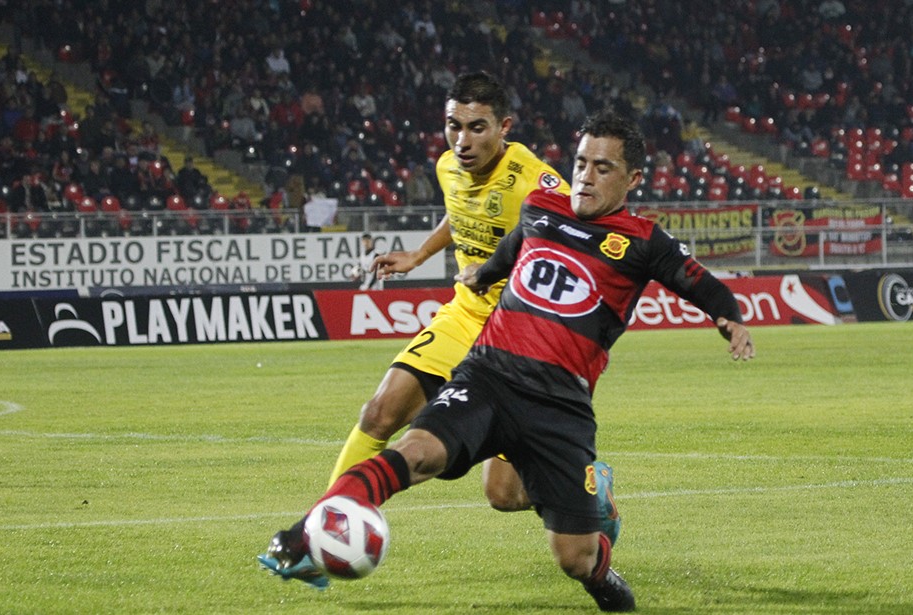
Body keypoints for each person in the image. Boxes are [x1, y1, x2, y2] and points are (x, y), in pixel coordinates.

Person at [259, 109, 755, 611]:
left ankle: (600, 567)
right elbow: (513, 247)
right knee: (416, 452)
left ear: (633, 179)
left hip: (560, 406)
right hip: (488, 375)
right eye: (581, 163)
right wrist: (484, 273)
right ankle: (310, 531)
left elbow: (702, 283)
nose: (586, 176)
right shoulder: (541, 206)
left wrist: (730, 318)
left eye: (603, 168)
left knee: (573, 557)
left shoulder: (643, 241)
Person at [260, 72, 616, 577]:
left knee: (503, 494)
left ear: (504, 127)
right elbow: (460, 213)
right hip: (465, 314)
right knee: (379, 413)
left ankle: (590, 493)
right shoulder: (448, 166)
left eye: (476, 128)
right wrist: (418, 255)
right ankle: (318, 533)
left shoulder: (535, 182)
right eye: (454, 126)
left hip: (522, 334)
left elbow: (582, 240)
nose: (462, 140)